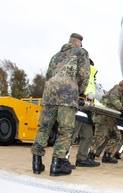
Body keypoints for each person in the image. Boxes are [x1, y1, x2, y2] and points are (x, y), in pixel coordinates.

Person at [31, 33, 90, 176]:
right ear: (79, 43)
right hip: (67, 95)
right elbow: (84, 75)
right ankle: (57, 164)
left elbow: (48, 76)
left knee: (44, 127)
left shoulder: (55, 56)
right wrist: (79, 92)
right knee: (65, 129)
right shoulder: (81, 53)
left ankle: (37, 163)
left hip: (49, 95)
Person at [87, 80, 123, 164]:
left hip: (110, 119)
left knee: (116, 136)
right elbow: (114, 99)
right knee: (99, 137)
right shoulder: (117, 89)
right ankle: (90, 155)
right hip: (103, 118)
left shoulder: (120, 94)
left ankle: (107, 155)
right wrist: (121, 109)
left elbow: (122, 106)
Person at [69, 59, 100, 167]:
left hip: (86, 112)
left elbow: (91, 97)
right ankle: (62, 159)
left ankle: (81, 159)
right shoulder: (81, 74)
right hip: (78, 110)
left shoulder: (90, 77)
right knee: (71, 135)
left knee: (88, 135)